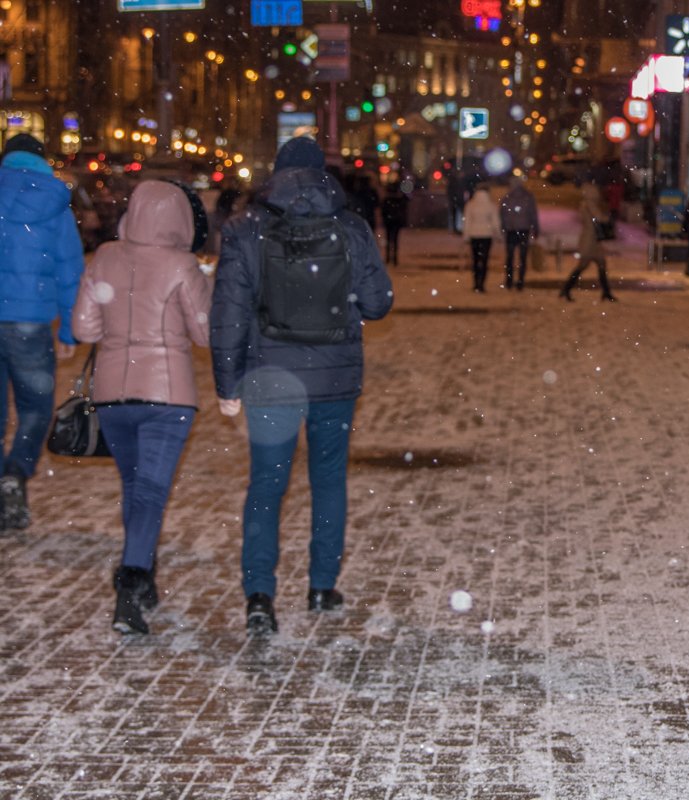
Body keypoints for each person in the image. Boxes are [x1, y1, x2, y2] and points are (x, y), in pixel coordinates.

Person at [210, 136, 394, 635]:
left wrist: (227, 383)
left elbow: (228, 313)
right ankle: (320, 585)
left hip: (271, 378)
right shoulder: (351, 227)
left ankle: (259, 596)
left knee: (267, 486)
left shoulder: (244, 229)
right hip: (335, 378)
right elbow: (378, 303)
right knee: (328, 480)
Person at [72, 180, 213, 635]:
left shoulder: (106, 257)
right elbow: (204, 334)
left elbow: (84, 328)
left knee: (134, 487)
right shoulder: (181, 265)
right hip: (167, 395)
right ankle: (131, 582)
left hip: (113, 394)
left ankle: (143, 571)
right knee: (150, 490)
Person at [0, 133, 84, 531]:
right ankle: (16, 471)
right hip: (30, 321)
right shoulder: (54, 205)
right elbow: (70, 272)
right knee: (35, 407)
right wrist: (69, 330)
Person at [558, 183, 616, 303]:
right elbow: (599, 218)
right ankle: (567, 289)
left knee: (598, 265)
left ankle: (606, 292)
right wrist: (608, 218)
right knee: (585, 266)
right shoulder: (590, 205)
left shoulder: (585, 205)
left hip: (591, 240)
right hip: (591, 241)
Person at [499, 178, 540, 290]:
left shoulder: (507, 198)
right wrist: (535, 228)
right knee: (522, 257)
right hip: (523, 230)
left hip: (511, 231)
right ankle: (520, 281)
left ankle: (509, 280)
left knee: (510, 257)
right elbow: (533, 214)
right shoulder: (528, 197)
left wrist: (504, 227)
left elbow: (502, 215)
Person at [461, 184, 500, 293]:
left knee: (475, 260)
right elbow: (495, 223)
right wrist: (498, 235)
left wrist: (466, 236)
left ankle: (475, 283)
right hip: (486, 236)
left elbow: (467, 222)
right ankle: (482, 284)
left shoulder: (470, 205)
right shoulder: (491, 205)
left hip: (474, 235)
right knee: (484, 260)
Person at [380, 183, 409, 266]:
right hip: (396, 221)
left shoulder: (387, 199)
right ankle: (394, 258)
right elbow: (407, 200)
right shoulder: (399, 199)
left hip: (389, 222)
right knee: (395, 240)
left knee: (389, 239)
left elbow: (383, 211)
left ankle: (388, 258)